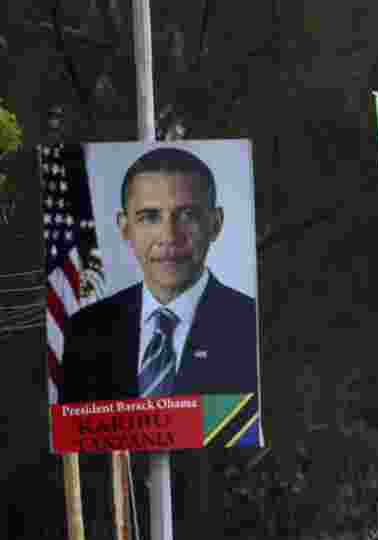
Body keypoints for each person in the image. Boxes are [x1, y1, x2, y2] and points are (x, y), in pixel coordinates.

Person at [60, 146, 258, 404]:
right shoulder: (85, 332)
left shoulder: (251, 325)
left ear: (215, 223)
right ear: (125, 228)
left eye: (187, 215)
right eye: (150, 217)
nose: (168, 236)